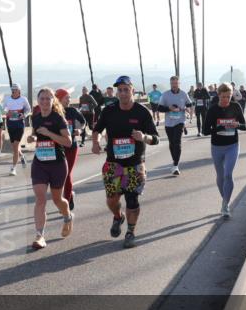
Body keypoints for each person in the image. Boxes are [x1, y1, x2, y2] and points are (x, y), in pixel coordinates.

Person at [92, 76, 160, 249]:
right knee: (111, 200)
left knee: (132, 199)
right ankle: (117, 216)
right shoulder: (109, 110)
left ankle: (130, 232)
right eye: (119, 90)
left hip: (135, 163)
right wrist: (95, 142)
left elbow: (156, 139)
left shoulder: (142, 112)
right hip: (113, 164)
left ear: (132, 90)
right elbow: (97, 129)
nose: (122, 93)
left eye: (125, 89)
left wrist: (144, 137)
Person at [27, 88, 74, 250]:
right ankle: (40, 236)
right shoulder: (36, 117)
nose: (45, 102)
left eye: (48, 99)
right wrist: (32, 137)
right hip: (40, 163)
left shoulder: (58, 119)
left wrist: (48, 133)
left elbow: (68, 142)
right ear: (38, 101)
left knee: (57, 199)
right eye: (42, 99)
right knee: (40, 199)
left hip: (57, 165)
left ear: (53, 101)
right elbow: (35, 134)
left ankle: (67, 216)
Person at [202, 84, 246, 218]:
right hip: (217, 147)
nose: (226, 99)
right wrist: (220, 126)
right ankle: (225, 199)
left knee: (228, 174)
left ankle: (225, 204)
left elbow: (244, 126)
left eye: (228, 96)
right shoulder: (212, 109)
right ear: (218, 95)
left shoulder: (236, 106)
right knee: (220, 176)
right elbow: (205, 131)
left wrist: (237, 125)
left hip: (232, 145)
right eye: (223, 97)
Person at [56, 89, 87, 211]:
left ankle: (67, 202)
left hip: (71, 146)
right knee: (59, 175)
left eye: (69, 97)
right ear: (59, 99)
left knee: (67, 174)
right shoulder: (54, 112)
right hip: (58, 147)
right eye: (66, 98)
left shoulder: (72, 111)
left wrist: (80, 130)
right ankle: (69, 195)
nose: (69, 100)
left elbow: (83, 122)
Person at [157, 75, 193, 175]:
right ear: (170, 84)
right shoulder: (165, 95)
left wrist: (186, 108)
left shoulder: (183, 94)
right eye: (172, 84)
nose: (174, 85)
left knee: (177, 142)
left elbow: (189, 104)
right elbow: (159, 108)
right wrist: (169, 109)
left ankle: (176, 165)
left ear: (179, 83)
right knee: (172, 143)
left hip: (180, 121)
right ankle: (174, 161)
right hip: (169, 123)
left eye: (176, 83)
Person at [3, 84, 32, 175]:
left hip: (19, 125)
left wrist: (24, 115)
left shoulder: (23, 99)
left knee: (15, 147)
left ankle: (13, 168)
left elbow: (28, 110)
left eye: (15, 90)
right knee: (15, 147)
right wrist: (6, 111)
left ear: (19, 91)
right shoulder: (7, 99)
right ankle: (22, 156)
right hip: (10, 124)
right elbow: (4, 108)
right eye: (12, 90)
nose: (13, 91)